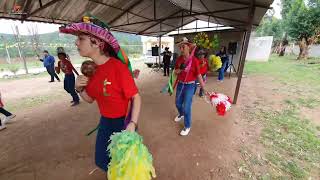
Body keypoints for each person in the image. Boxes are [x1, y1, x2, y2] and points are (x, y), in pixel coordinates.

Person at [59, 15, 141, 172]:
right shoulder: (91, 71)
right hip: (105, 122)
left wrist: (133, 123)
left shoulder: (118, 68)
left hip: (123, 122)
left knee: (125, 163)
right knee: (102, 160)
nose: (76, 42)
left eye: (81, 38)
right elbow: (90, 99)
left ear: (97, 43)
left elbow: (136, 97)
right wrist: (79, 88)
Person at [173, 37, 206, 136]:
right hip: (180, 84)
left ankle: (187, 126)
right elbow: (175, 72)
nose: (181, 49)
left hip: (190, 86)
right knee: (178, 103)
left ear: (189, 48)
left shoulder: (194, 61)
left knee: (187, 107)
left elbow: (199, 75)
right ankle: (181, 114)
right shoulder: (179, 59)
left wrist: (203, 87)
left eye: (183, 47)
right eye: (180, 47)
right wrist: (181, 69)